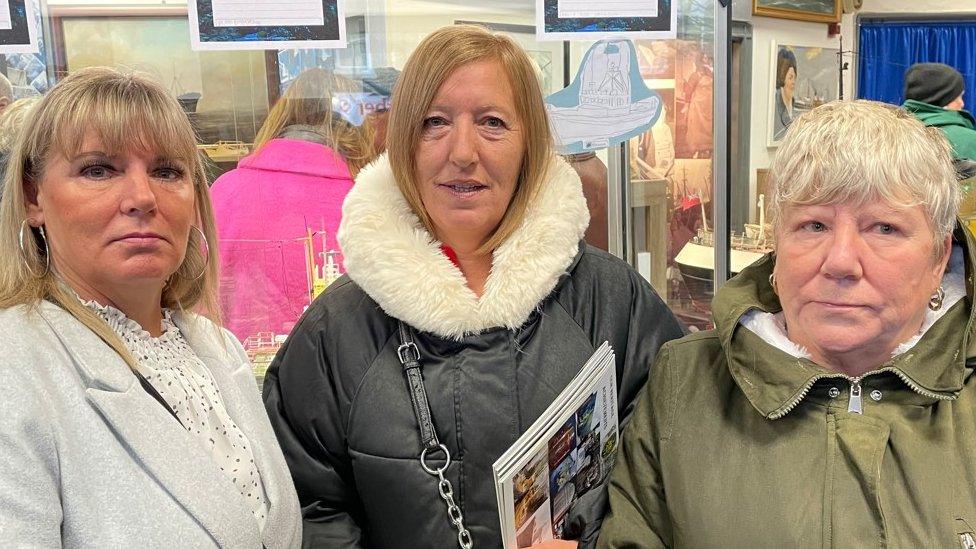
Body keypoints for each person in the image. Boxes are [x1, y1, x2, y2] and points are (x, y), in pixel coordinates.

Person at [263, 25, 683, 548]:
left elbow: (671, 477)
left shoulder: (611, 302)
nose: (462, 152)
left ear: (529, 140)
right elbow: (309, 507)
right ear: (402, 144)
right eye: (434, 122)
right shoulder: (336, 331)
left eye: (492, 122)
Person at [597, 99, 972, 546]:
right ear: (776, 248)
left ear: (940, 255)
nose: (840, 262)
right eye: (813, 225)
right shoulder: (685, 383)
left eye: (883, 228)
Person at [0, 67, 301, 547]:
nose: (142, 198)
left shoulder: (217, 349)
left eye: (167, 171)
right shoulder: (14, 367)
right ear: (32, 196)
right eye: (98, 169)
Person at [210, 68, 375, 342]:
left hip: (238, 373)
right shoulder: (368, 202)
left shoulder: (223, 193)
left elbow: (197, 304)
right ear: (355, 128)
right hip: (344, 375)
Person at [902, 62, 976, 162]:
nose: (962, 103)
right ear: (943, 98)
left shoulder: (886, 132)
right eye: (959, 97)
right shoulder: (970, 141)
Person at [773, 47, 797, 141]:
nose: (793, 82)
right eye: (790, 78)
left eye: (795, 77)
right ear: (782, 78)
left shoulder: (795, 105)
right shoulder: (774, 106)